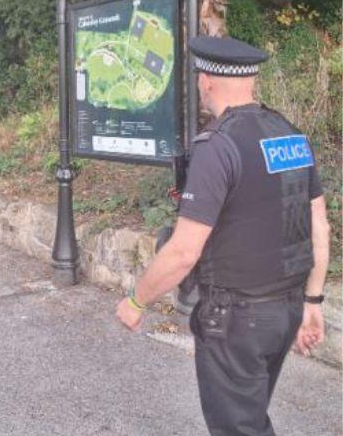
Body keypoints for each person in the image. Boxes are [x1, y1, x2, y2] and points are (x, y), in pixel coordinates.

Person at [116, 36, 330, 436]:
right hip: (284, 311)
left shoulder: (218, 145)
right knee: (249, 417)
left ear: (207, 79)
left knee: (238, 428)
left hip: (236, 321)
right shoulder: (289, 133)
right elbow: (319, 224)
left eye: (200, 75)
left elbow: (183, 252)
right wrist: (312, 300)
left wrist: (137, 300)